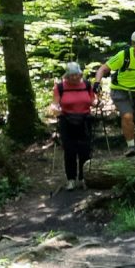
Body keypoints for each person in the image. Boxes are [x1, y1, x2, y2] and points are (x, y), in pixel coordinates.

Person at [51, 62, 96, 190]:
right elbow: (55, 103)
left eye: (77, 75)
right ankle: (71, 179)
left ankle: (83, 178)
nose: (75, 78)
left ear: (80, 74)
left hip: (85, 120)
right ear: (67, 76)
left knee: (85, 150)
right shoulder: (60, 87)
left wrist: (98, 103)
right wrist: (55, 109)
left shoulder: (87, 85)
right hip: (67, 120)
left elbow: (92, 100)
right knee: (69, 150)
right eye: (71, 76)